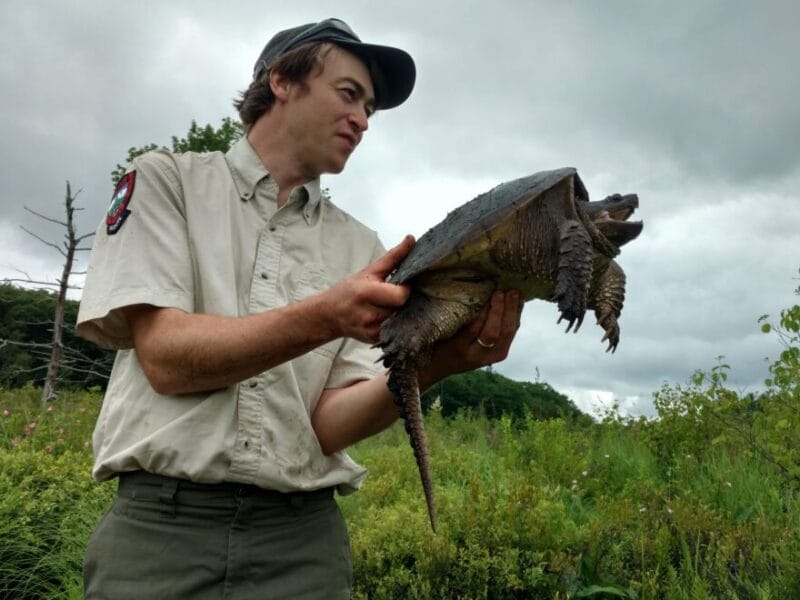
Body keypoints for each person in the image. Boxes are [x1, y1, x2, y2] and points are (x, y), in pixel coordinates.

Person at [77, 17, 523, 599]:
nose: (362, 120)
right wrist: (326, 315)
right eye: (349, 94)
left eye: (369, 109)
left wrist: (439, 364)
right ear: (282, 81)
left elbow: (327, 425)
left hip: (303, 546)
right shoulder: (167, 181)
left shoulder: (362, 249)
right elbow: (165, 358)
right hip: (159, 537)